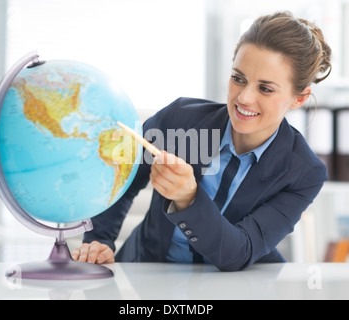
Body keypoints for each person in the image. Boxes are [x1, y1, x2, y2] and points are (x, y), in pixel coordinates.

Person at [72, 11, 332, 271]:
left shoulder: (304, 173)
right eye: (238, 79)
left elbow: (238, 252)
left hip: (236, 285)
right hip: (146, 270)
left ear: (299, 99)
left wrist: (189, 197)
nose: (244, 98)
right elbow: (120, 179)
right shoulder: (179, 119)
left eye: (265, 89)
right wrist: (99, 241)